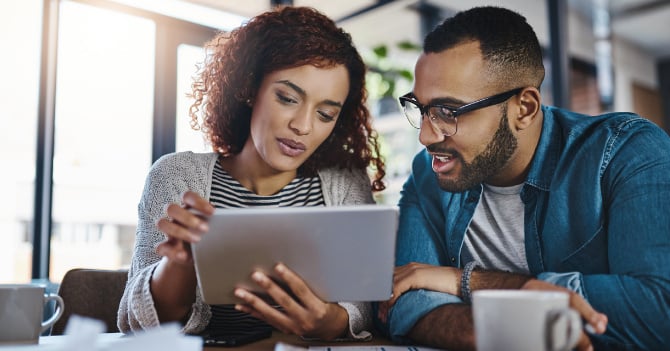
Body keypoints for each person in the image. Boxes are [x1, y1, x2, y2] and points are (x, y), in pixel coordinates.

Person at [375, 6, 670, 351]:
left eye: (448, 112)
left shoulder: (627, 151)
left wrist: (467, 282)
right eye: (422, 108)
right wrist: (508, 324)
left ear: (525, 108)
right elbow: (404, 301)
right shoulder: (429, 173)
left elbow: (658, 310)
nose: (425, 136)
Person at [117, 6, 386, 342]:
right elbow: (137, 322)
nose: (302, 126)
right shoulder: (177, 177)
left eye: (325, 114)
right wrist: (180, 266)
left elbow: (361, 308)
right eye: (287, 98)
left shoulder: (345, 185)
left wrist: (329, 323)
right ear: (249, 87)